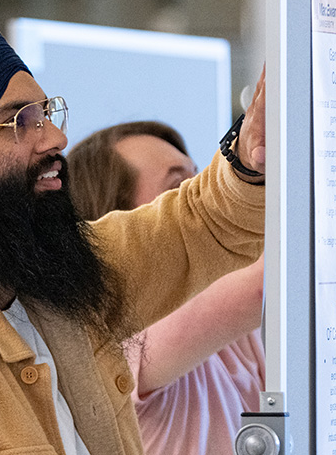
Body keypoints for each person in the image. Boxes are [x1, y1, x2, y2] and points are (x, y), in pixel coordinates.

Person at [0, 13, 267, 454]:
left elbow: (200, 224)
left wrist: (251, 154)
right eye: (17, 122)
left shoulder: (48, 277)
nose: (55, 137)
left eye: (45, 113)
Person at [68, 121, 265, 455]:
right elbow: (261, 287)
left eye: (199, 178)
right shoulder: (117, 337)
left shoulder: (231, 326)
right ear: (124, 227)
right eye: (180, 186)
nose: (203, 197)